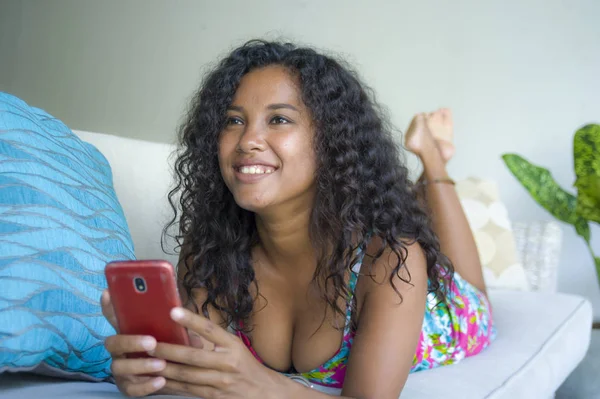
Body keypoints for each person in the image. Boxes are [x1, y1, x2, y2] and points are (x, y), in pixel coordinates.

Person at [101, 40, 495, 399]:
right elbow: (202, 364)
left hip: (442, 314)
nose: (247, 140)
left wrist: (264, 386)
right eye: (233, 120)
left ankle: (432, 156)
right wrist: (152, 372)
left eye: (278, 120)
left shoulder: (391, 259)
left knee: (475, 291)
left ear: (330, 141)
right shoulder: (213, 249)